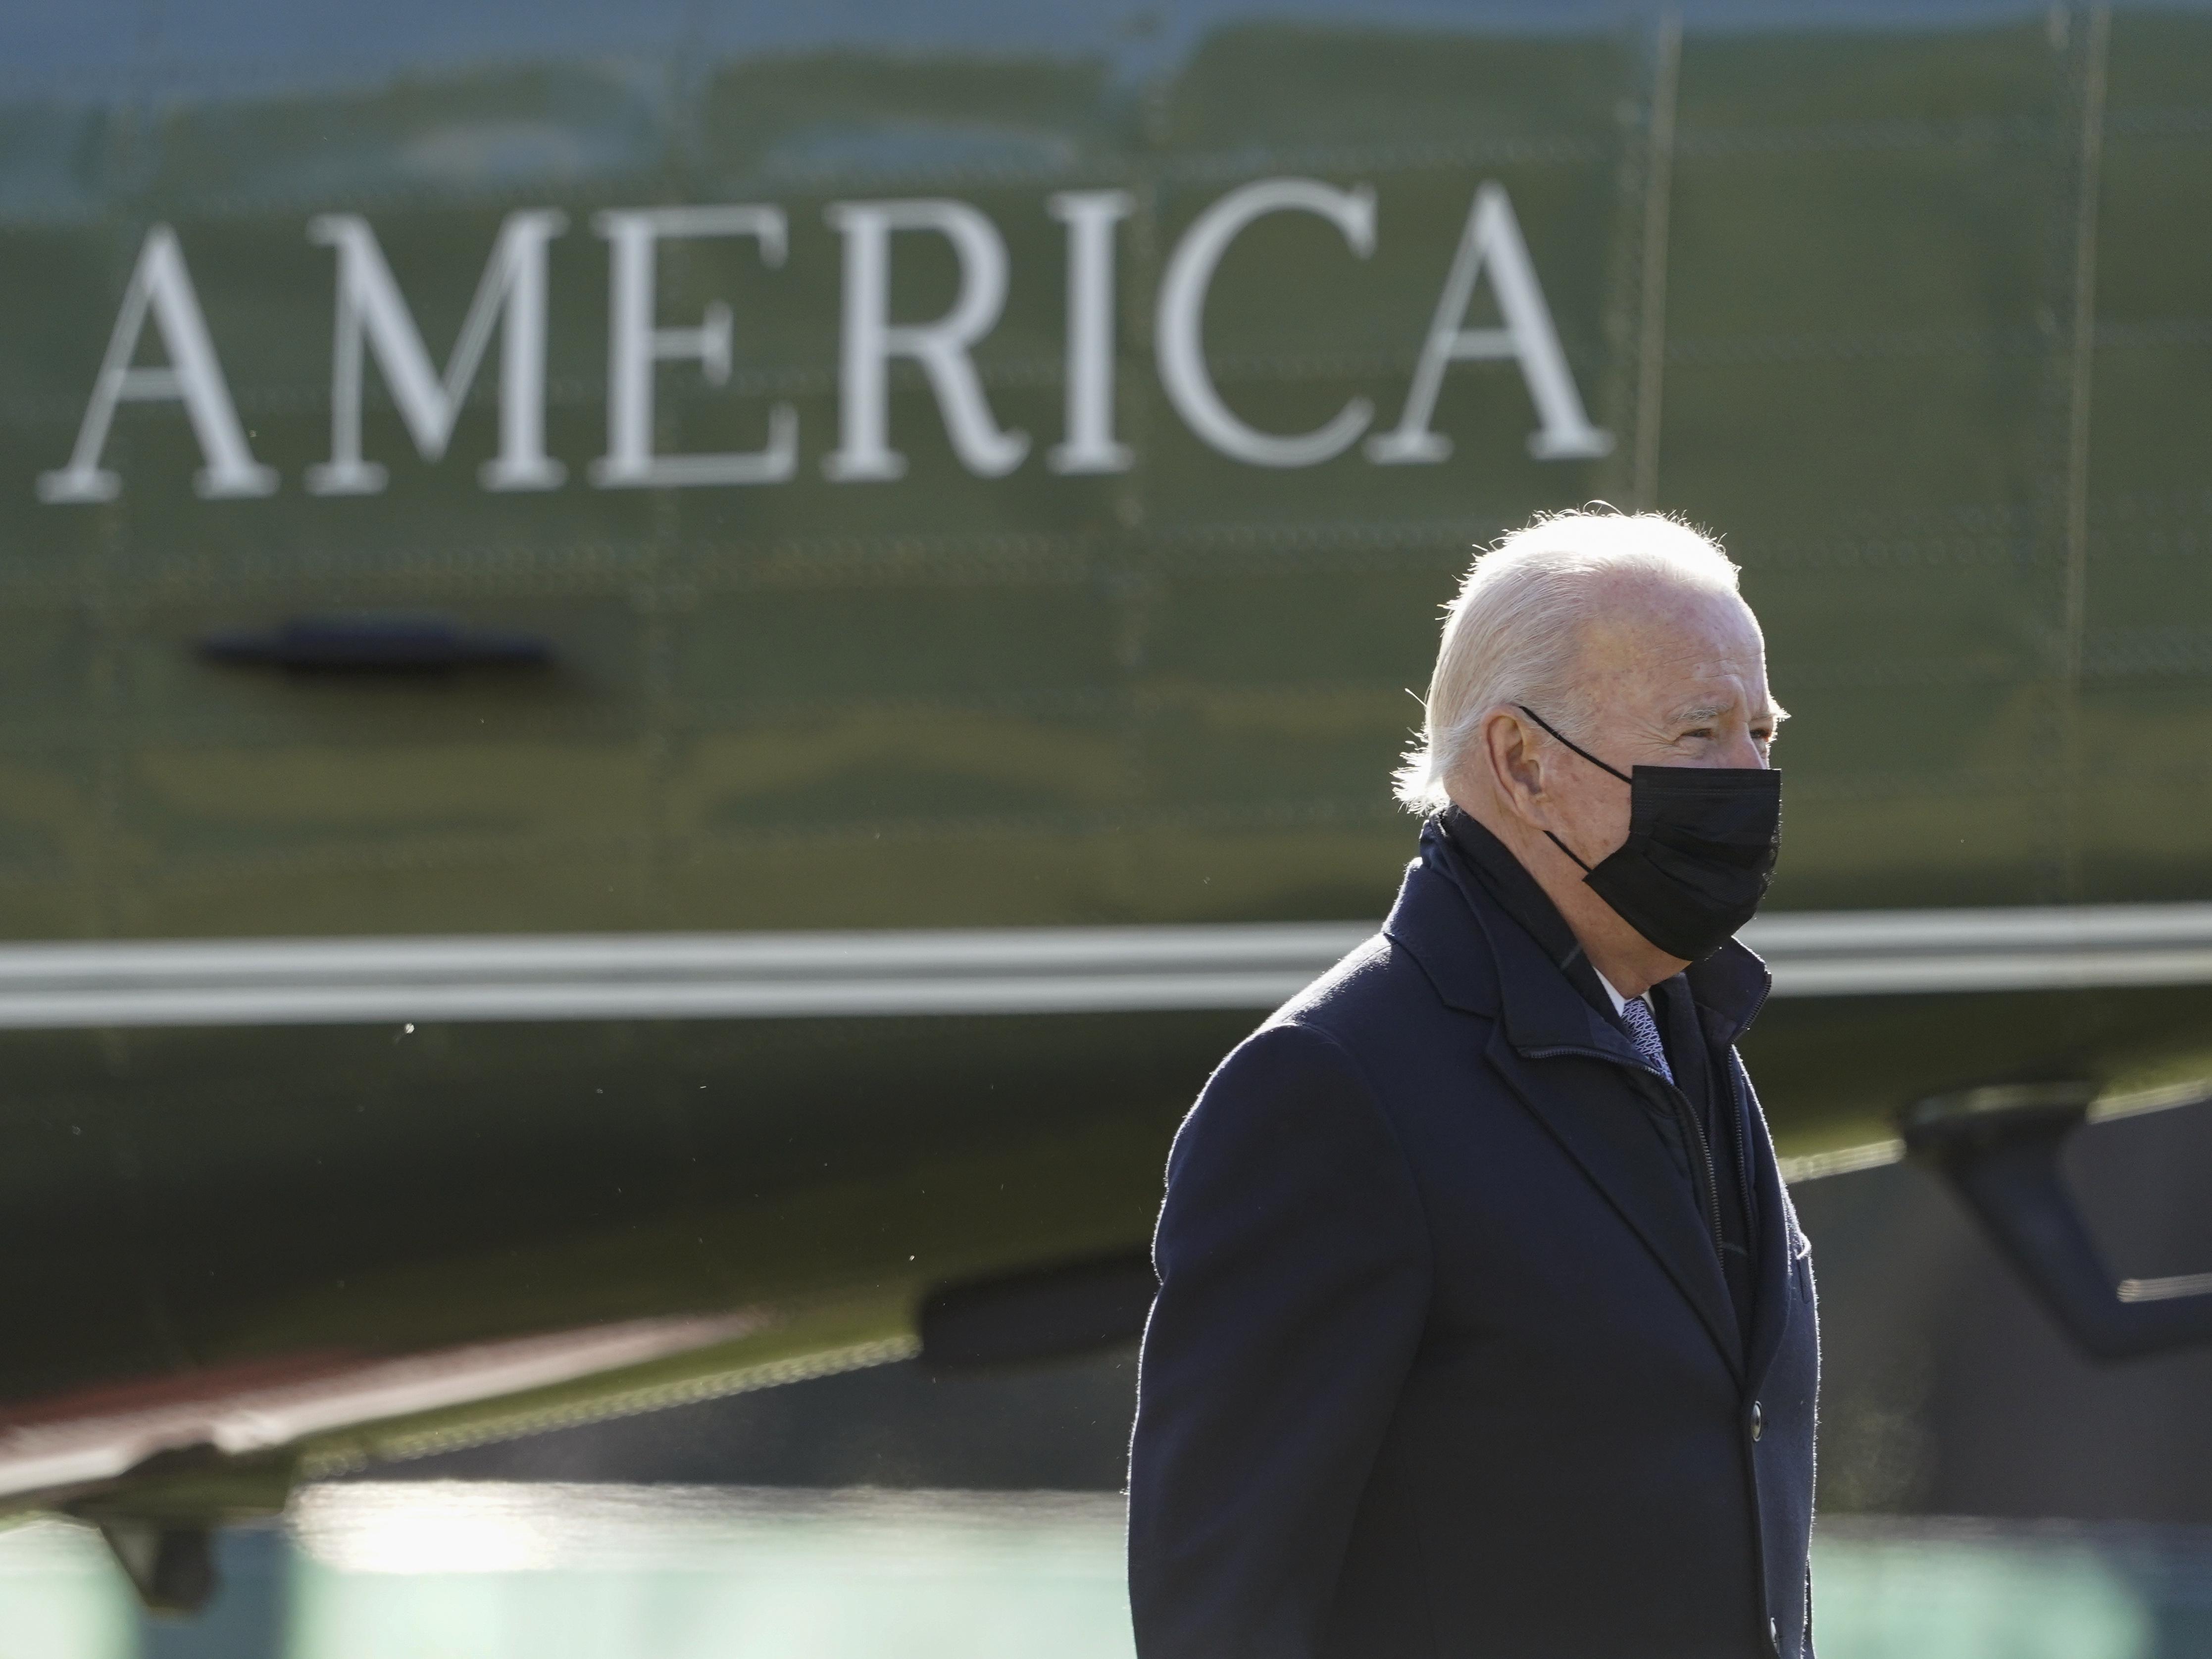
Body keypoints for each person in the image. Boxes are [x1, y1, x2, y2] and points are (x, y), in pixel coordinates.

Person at [1126, 509, 1816, 1659]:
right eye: (1698, 732)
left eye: (1760, 728)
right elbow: (1221, 1611)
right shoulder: (1329, 1087)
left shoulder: (1684, 1030)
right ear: (1520, 761)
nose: (1750, 777)